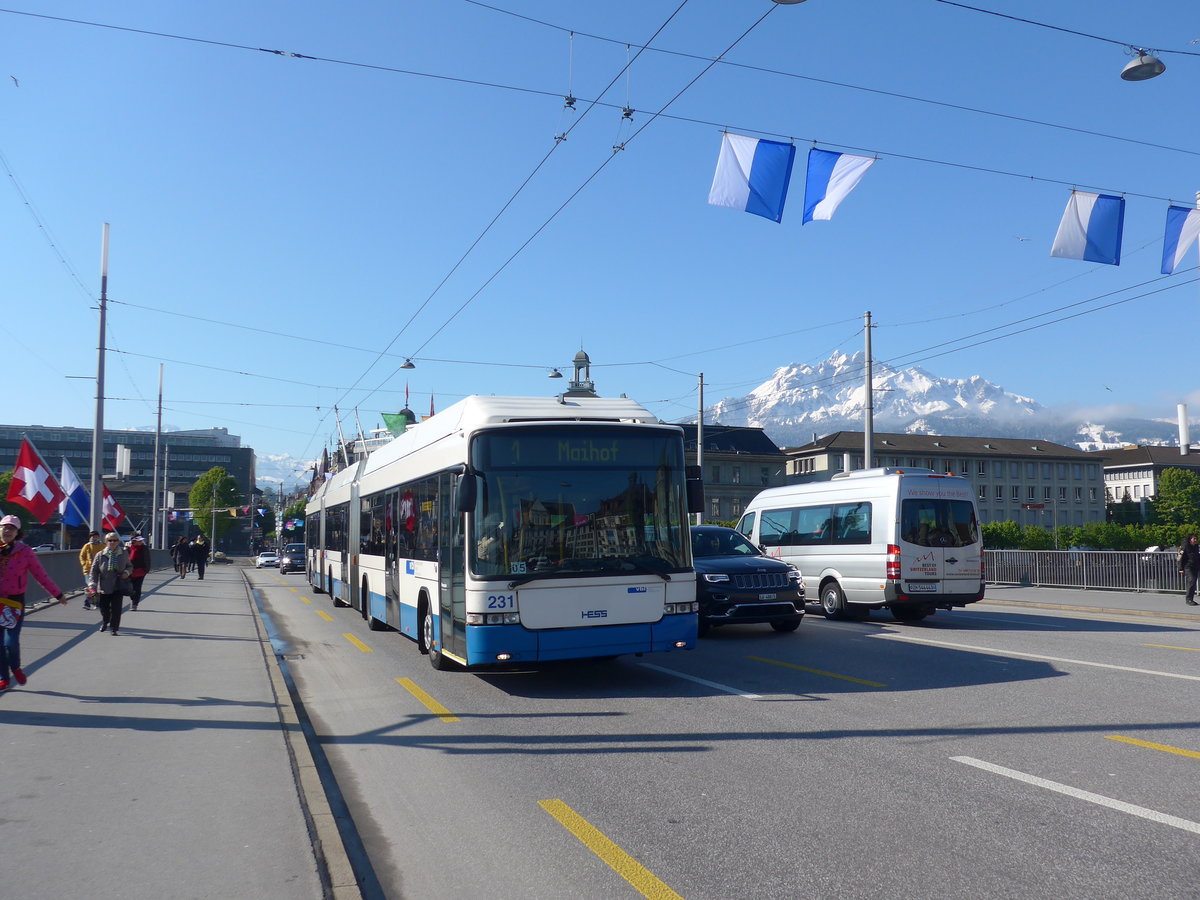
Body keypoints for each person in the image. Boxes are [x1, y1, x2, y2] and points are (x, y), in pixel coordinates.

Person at [0, 514, 66, 691]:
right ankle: (3, 677)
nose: (7, 531)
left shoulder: (25, 552)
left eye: (11, 528)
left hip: (14, 603)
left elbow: (40, 575)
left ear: (17, 533)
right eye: (4, 527)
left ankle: (15, 667)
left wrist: (58, 594)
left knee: (10, 643)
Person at [89, 532, 132, 635]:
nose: (112, 542)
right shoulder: (100, 555)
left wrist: (126, 573)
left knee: (116, 609)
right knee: (104, 608)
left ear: (118, 542)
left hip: (118, 585)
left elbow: (130, 566)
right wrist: (92, 584)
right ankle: (105, 621)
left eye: (115, 540)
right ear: (106, 541)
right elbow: (94, 571)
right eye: (110, 540)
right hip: (104, 586)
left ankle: (114, 628)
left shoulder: (123, 553)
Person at [79, 530, 104, 610]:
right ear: (90, 538)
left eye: (96, 537)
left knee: (96, 587)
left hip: (99, 569)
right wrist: (84, 564)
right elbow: (81, 556)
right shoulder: (87, 546)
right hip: (88, 570)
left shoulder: (102, 546)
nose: (95, 538)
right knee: (91, 586)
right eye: (93, 537)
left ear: (98, 537)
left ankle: (94, 603)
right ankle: (89, 603)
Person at [127, 534, 150, 610]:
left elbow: (147, 559)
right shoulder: (129, 548)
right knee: (130, 587)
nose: (140, 542)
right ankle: (132, 599)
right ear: (133, 541)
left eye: (141, 540)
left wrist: (147, 569)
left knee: (137, 587)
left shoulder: (144, 548)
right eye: (138, 540)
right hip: (130, 570)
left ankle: (135, 604)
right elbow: (124, 558)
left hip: (141, 571)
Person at [1178, 534, 1200, 606]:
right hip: (1188, 567)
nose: (1195, 540)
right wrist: (1180, 568)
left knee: (1193, 583)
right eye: (1194, 539)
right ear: (1190, 539)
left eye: (1196, 539)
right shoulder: (1184, 546)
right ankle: (1188, 599)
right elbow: (1179, 557)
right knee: (1191, 581)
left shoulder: (1196, 547)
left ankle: (1191, 599)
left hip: (1195, 566)